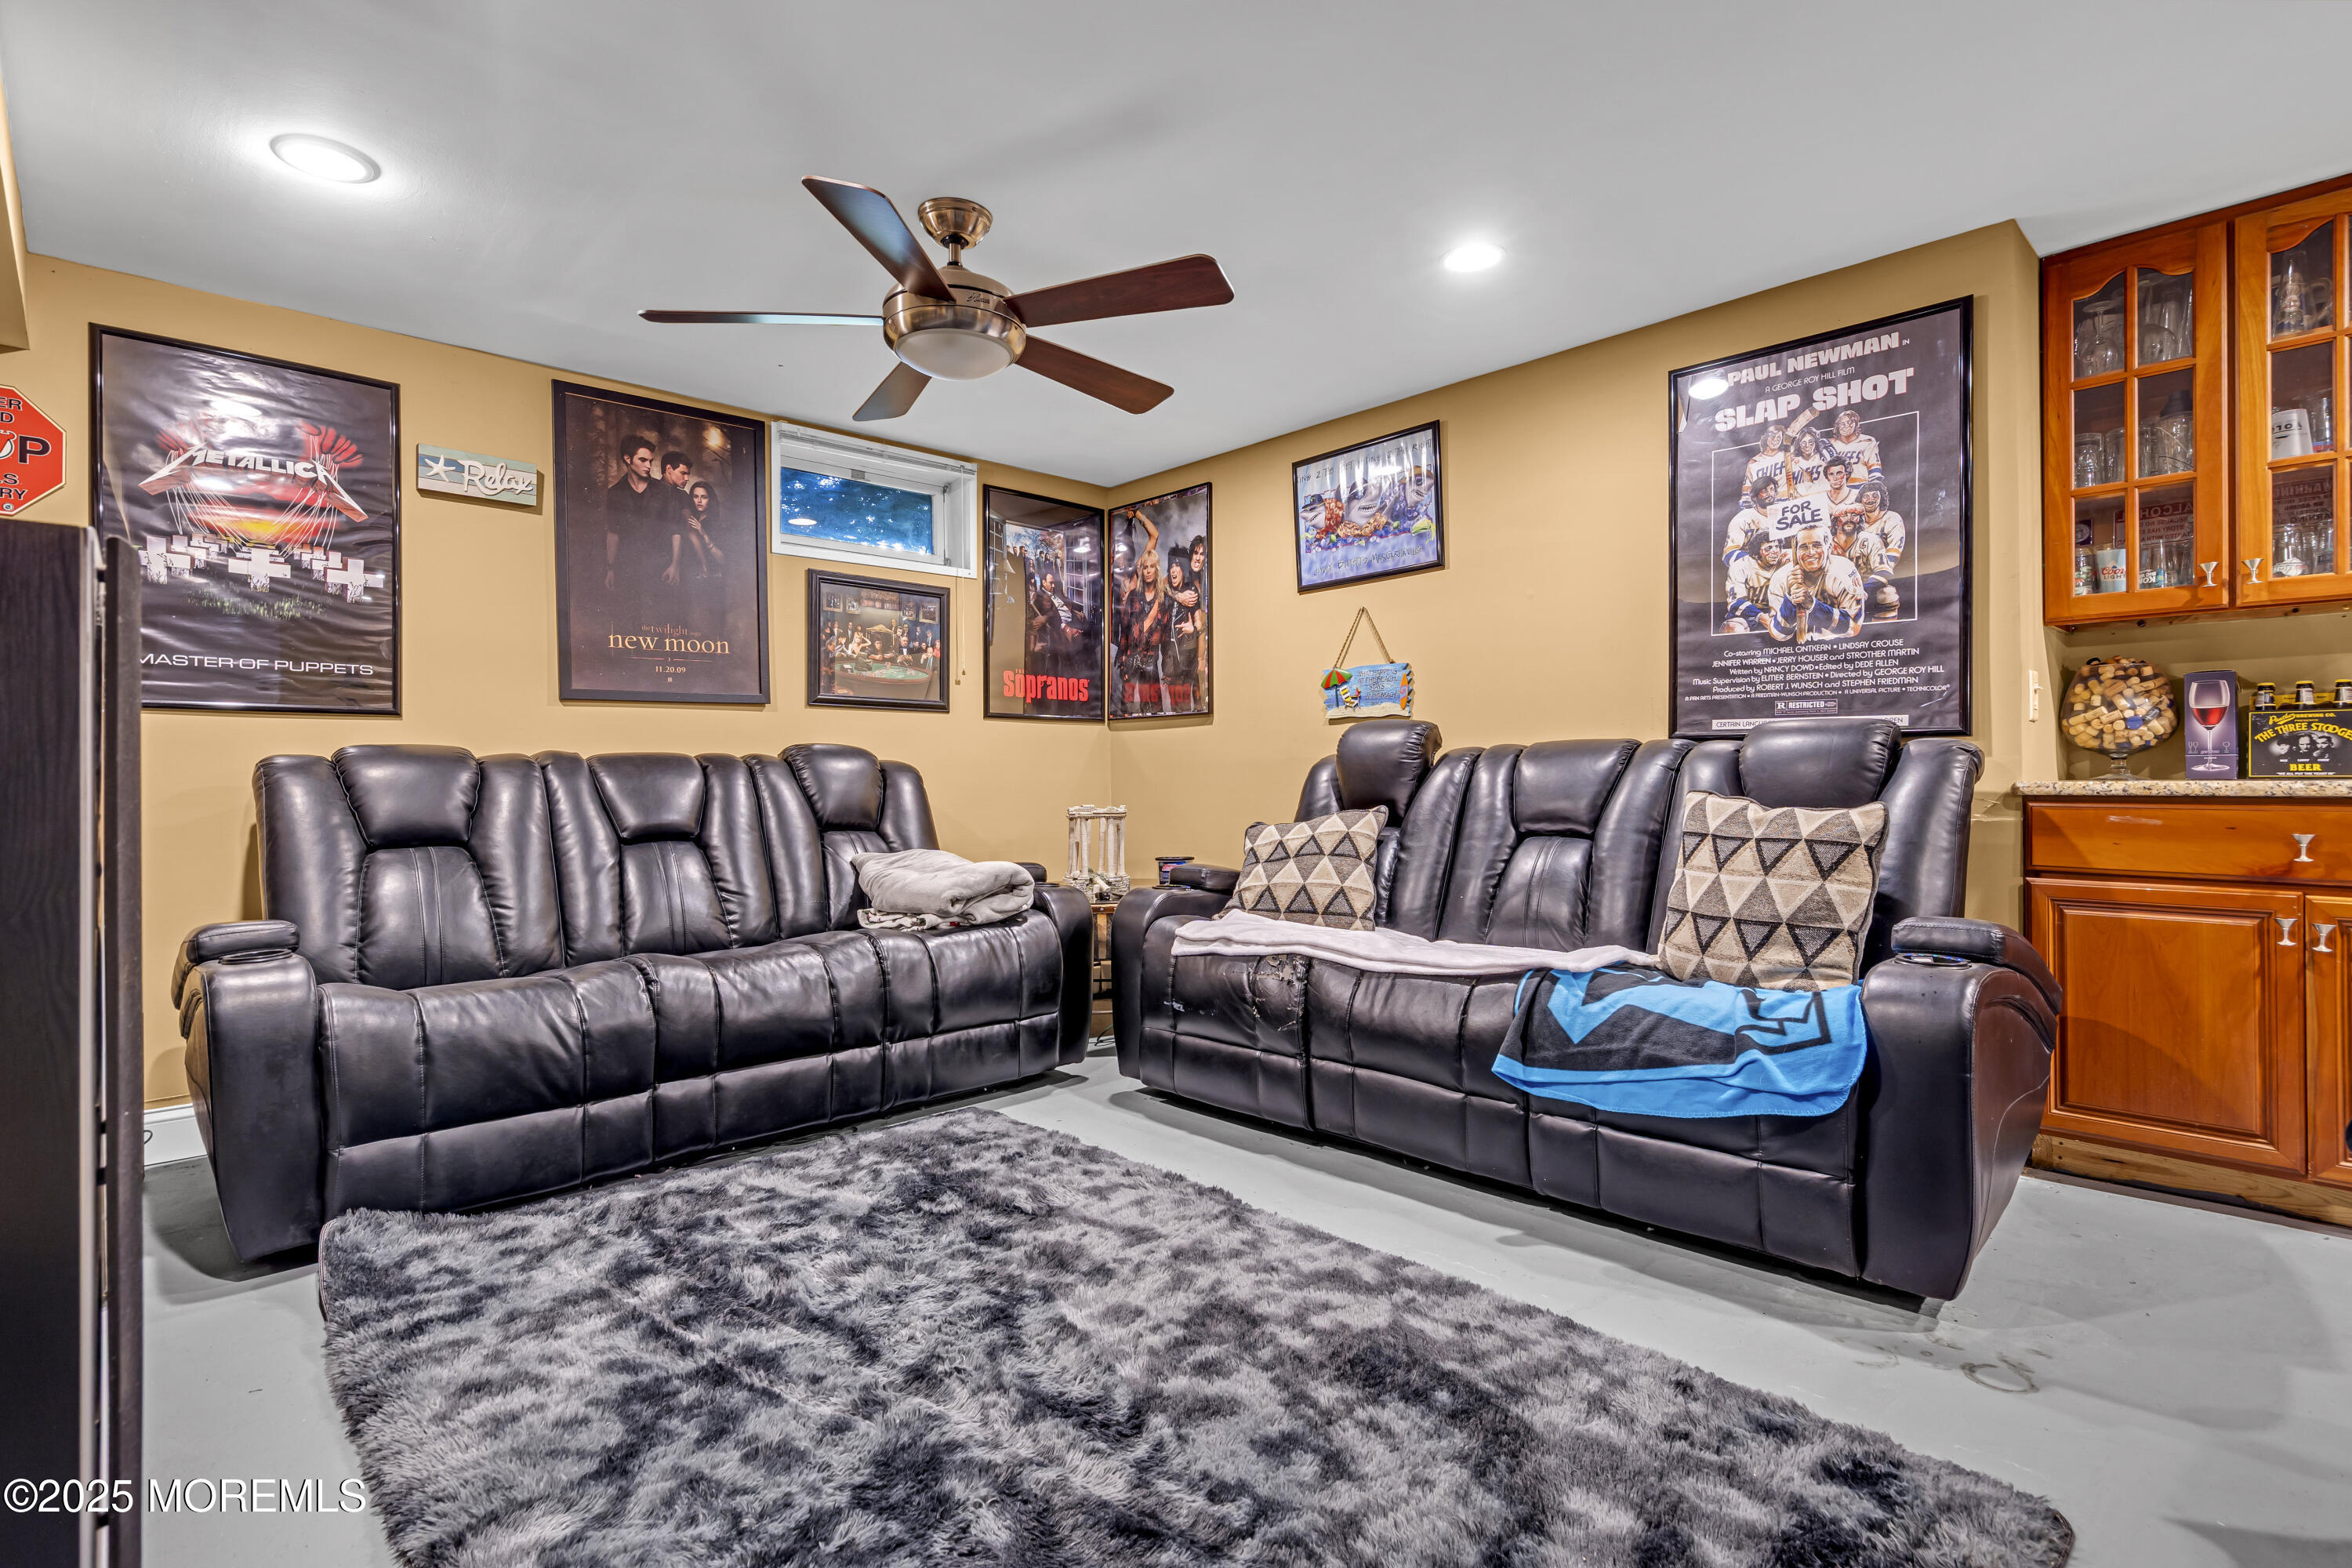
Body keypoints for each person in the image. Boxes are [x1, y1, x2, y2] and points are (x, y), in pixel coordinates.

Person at [602, 435, 678, 629]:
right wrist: (611, 569)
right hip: (628, 568)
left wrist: (675, 565)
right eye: (643, 460)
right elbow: (613, 532)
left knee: (660, 625)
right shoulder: (615, 493)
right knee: (630, 624)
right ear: (628, 459)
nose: (648, 465)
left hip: (659, 567)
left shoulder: (664, 490)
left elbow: (675, 529)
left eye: (650, 461)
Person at [1766, 521, 1867, 642]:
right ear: (1795, 551)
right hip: (1795, 649)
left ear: (1829, 548)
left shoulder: (1844, 570)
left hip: (1837, 647)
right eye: (1803, 547)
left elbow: (1853, 628)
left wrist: (1813, 605)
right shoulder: (1781, 578)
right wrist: (1790, 600)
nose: (1810, 552)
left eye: (1817, 545)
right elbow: (1778, 634)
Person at [1823, 407, 1883, 485]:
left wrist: (1874, 486)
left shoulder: (1867, 441)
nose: (1846, 426)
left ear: (1856, 424)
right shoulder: (1829, 444)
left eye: (1850, 422)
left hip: (1860, 487)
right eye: (1842, 424)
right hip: (1838, 488)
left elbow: (1874, 469)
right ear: (1837, 426)